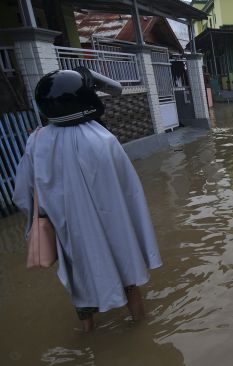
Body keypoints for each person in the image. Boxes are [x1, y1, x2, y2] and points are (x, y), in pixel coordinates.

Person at [12, 68, 162, 332]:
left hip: (70, 232)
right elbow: (129, 192)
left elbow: (23, 194)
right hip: (113, 227)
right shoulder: (103, 139)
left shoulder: (36, 142)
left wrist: (47, 216)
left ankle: (88, 336)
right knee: (127, 276)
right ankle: (140, 327)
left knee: (79, 281)